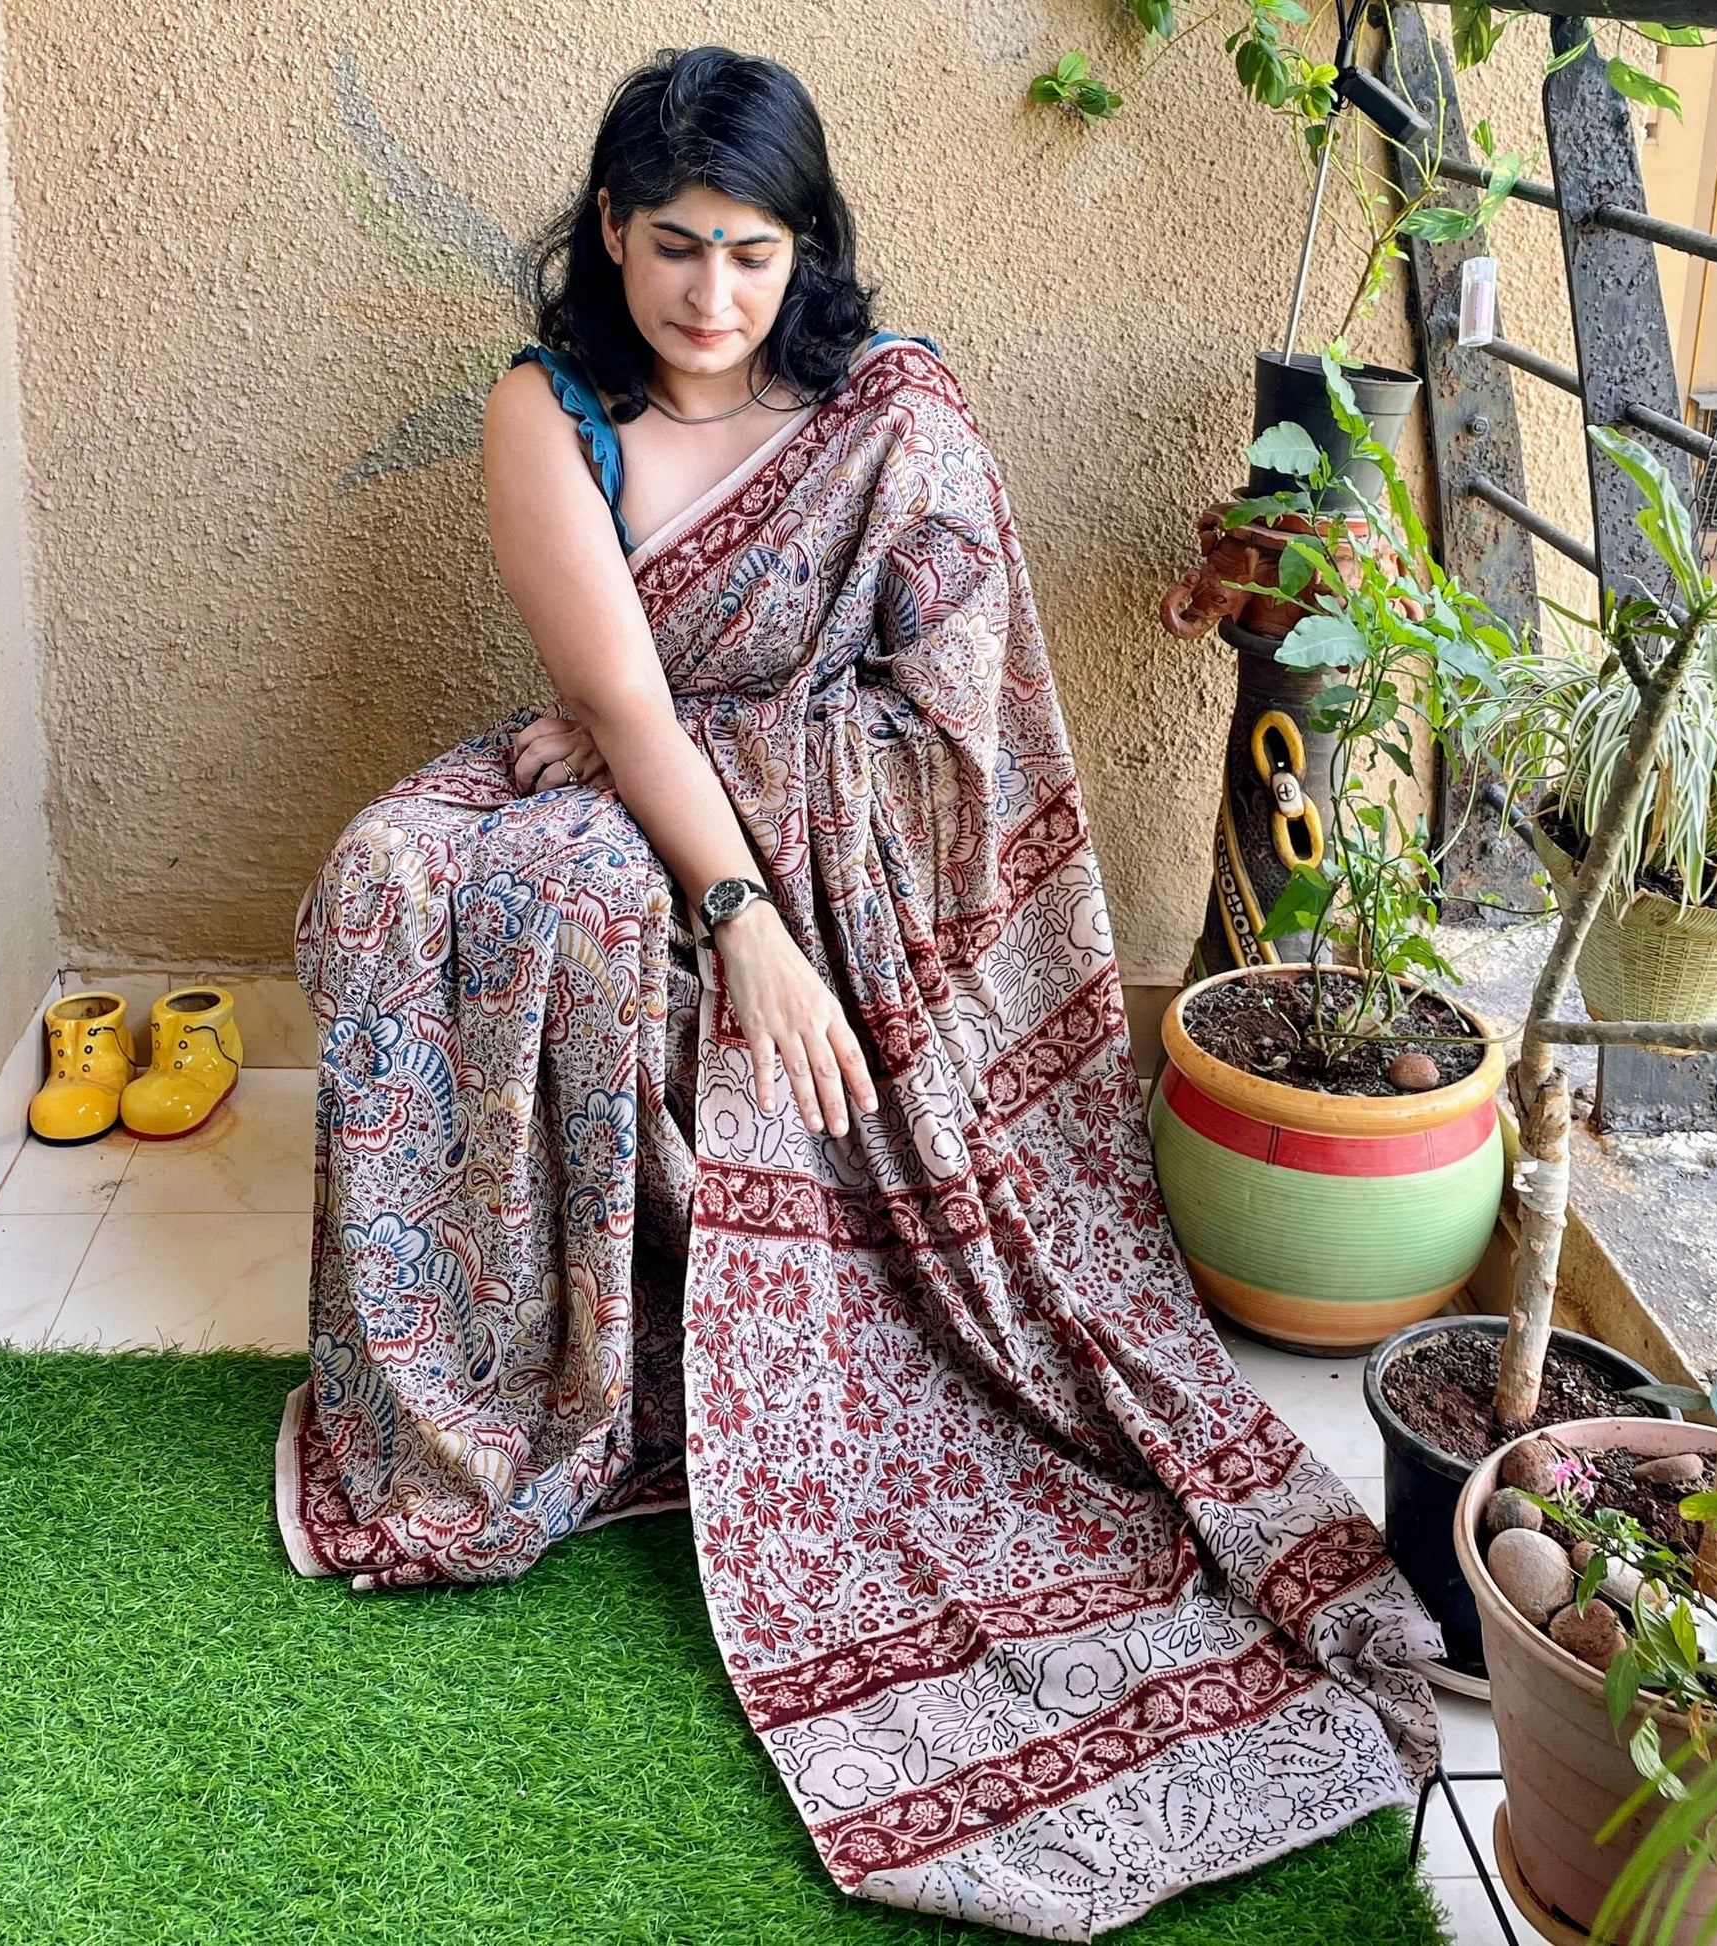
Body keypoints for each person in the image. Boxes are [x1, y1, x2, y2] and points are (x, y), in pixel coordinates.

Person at [275, 44, 1442, 1940]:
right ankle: (485, 1386)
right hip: (635, 786)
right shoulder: (544, 406)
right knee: (421, 874)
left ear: (802, 244)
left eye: (752, 251)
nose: (712, 296)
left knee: (579, 885)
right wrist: (742, 911)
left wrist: (725, 806)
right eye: (673, 249)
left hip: (733, 802)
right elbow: (618, 707)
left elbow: (955, 728)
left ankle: (716, 1322)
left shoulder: (890, 417)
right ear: (609, 235)